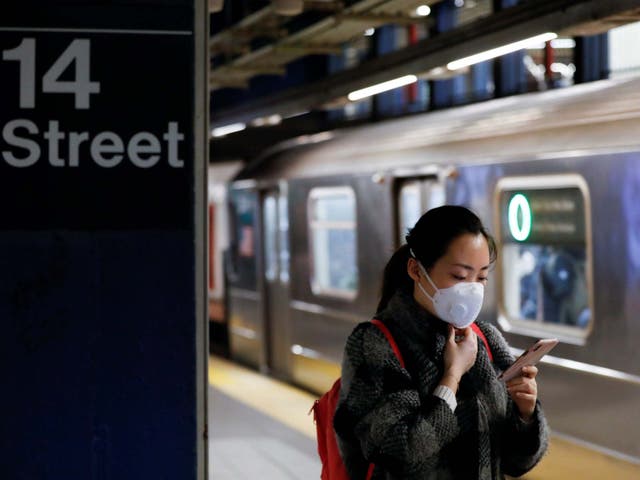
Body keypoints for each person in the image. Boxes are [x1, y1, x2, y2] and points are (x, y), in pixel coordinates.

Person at [334, 205, 548, 479]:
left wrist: (525, 414)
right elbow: (400, 455)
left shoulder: (486, 338)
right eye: (459, 276)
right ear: (416, 269)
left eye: (481, 277)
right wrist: (452, 376)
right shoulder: (374, 343)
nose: (471, 288)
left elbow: (517, 463)